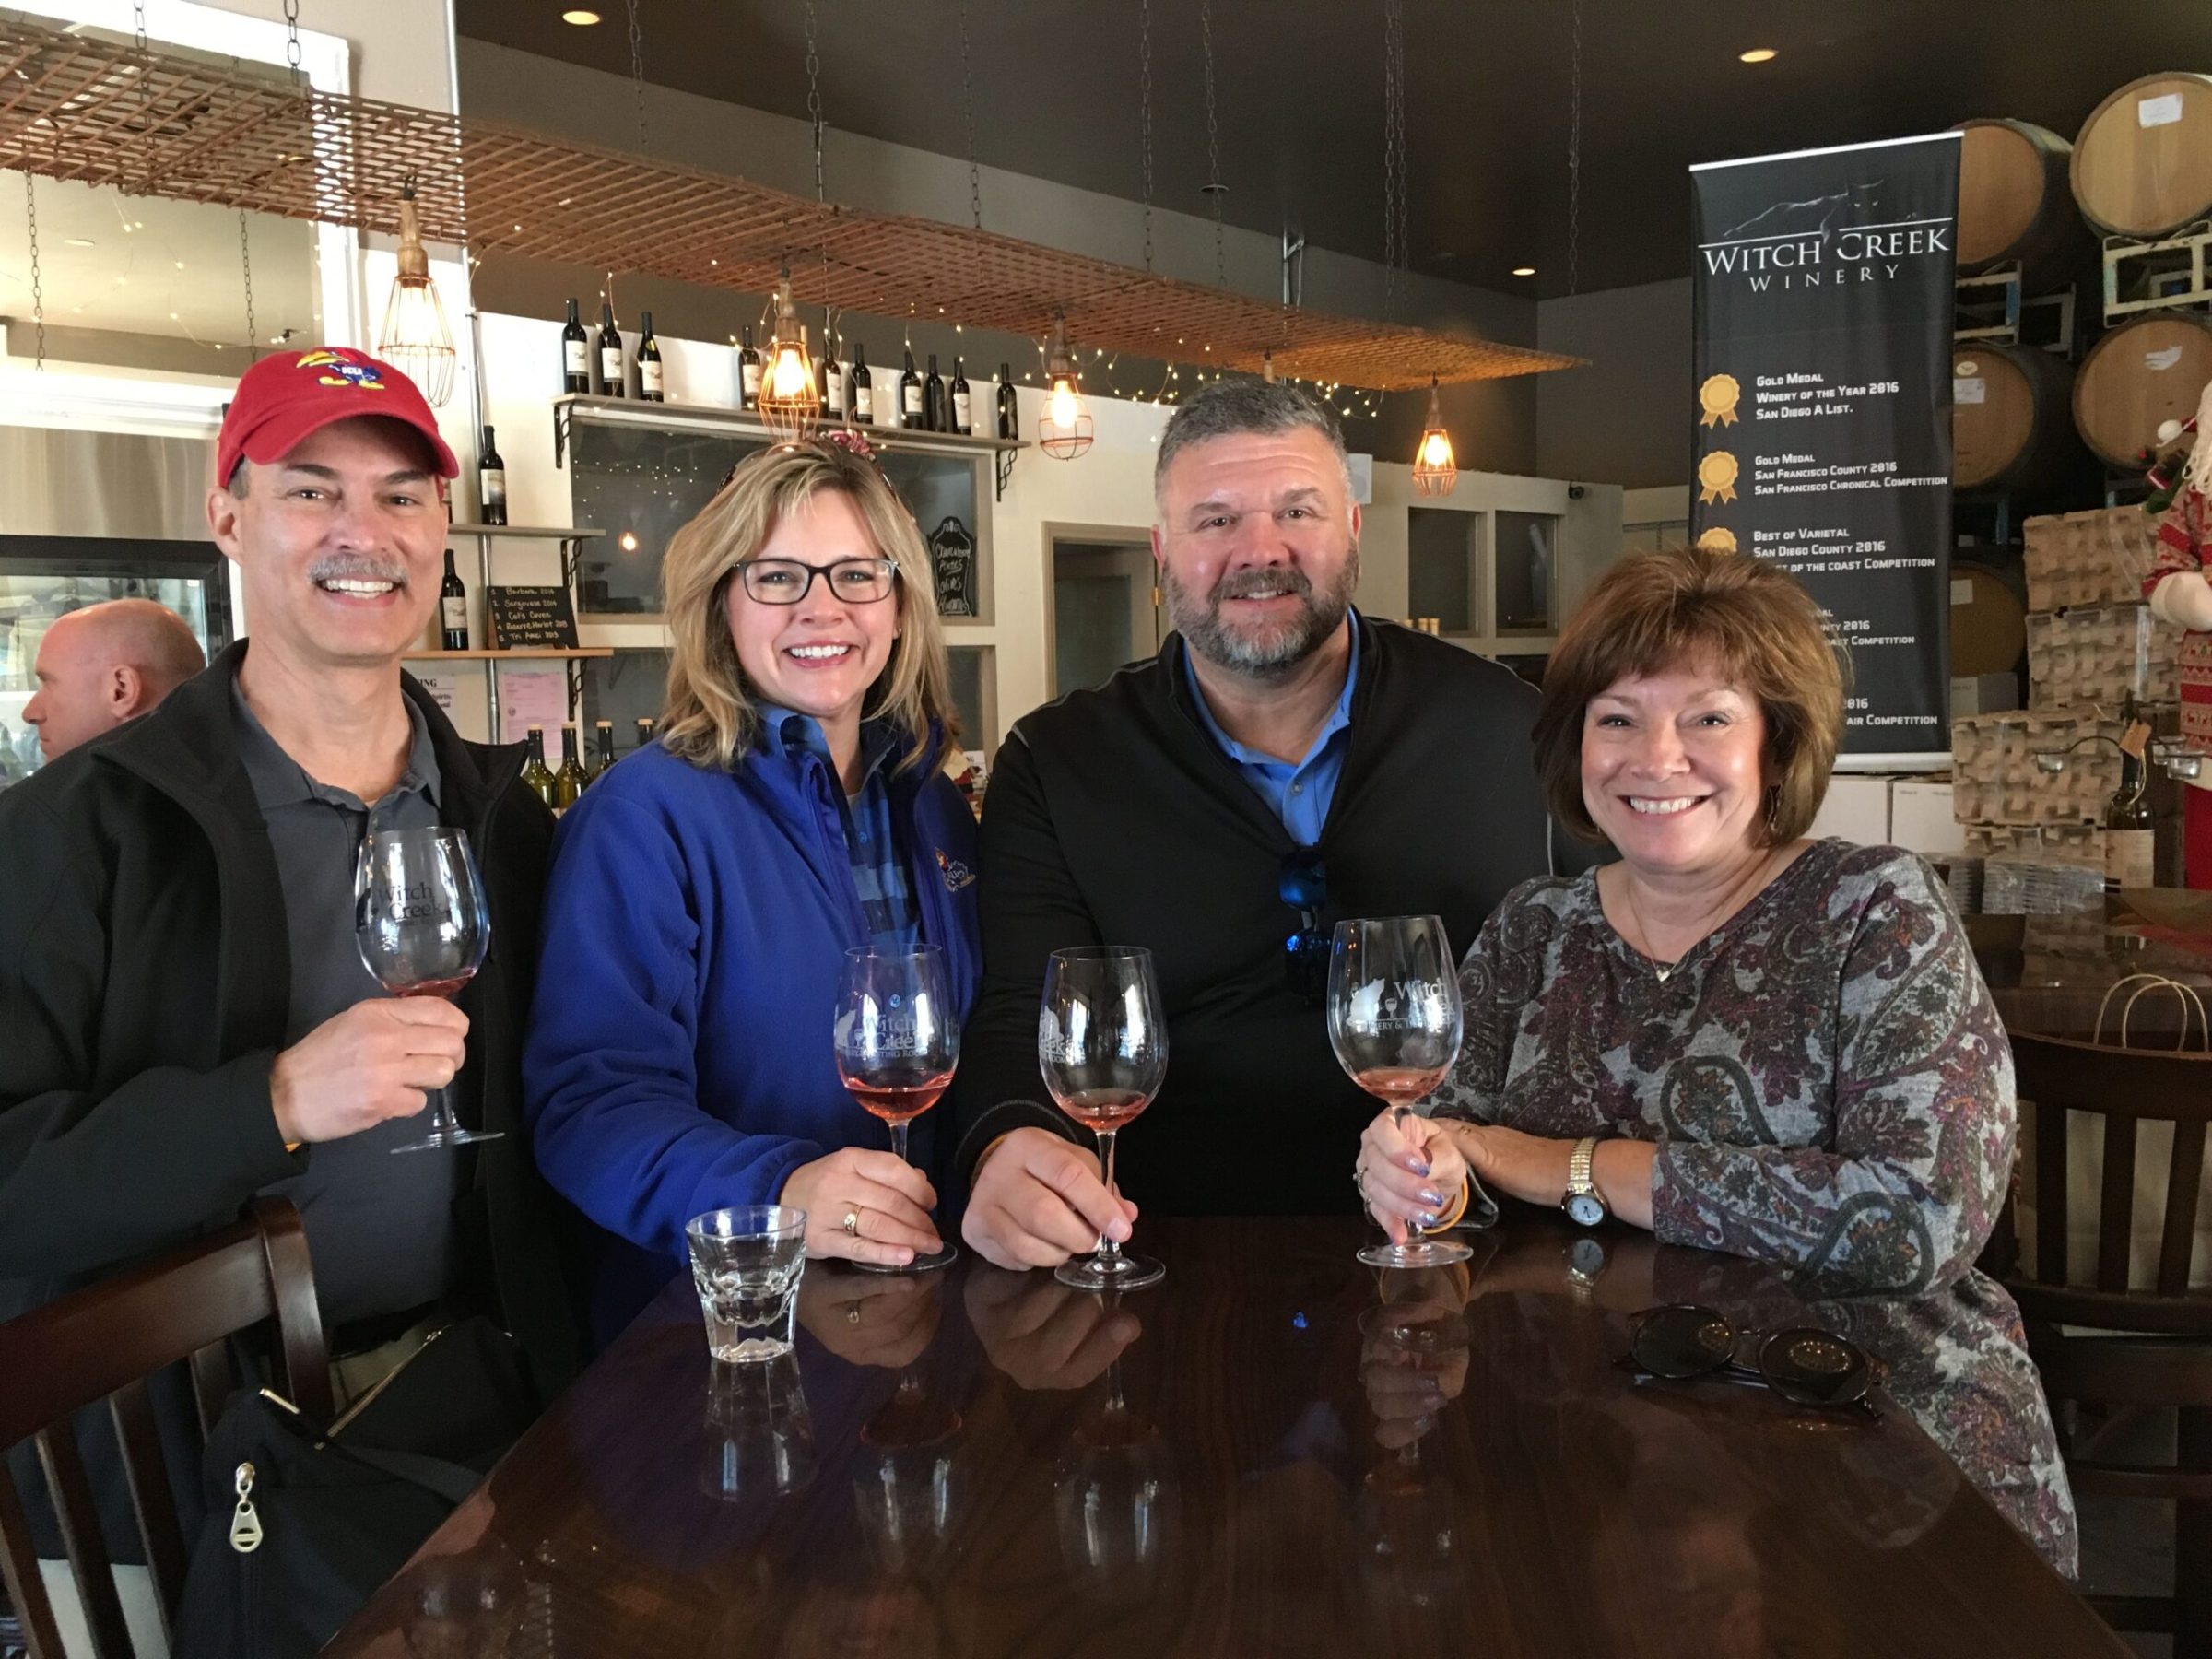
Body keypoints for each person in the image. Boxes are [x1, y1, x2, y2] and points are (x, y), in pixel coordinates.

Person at [0, 345, 577, 1653]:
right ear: (228, 517)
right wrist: (266, 1104)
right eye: (312, 490)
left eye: (400, 496)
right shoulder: (77, 831)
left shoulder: (505, 821)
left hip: (461, 1439)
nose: (360, 534)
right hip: (163, 1483)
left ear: (442, 527)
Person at [951, 380, 1577, 1272]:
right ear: (1163, 554)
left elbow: (1602, 961)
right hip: (1168, 1267)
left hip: (1479, 1261)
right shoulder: (1057, 764)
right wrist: (1003, 1144)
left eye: (1297, 510)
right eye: (1215, 521)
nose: (1260, 551)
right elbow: (1022, 1013)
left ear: (1353, 532)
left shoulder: (1508, 729)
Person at [1356, 546, 2021, 1300]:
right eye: (1617, 718)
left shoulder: (1875, 908)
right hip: (1570, 1386)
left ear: (1778, 747)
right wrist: (1418, 1181)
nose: (1657, 758)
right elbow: (1451, 1157)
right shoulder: (1532, 927)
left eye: (1707, 717)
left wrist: (1569, 1165)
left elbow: (1918, 1223)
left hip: (1846, 1389)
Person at [523, 434, 980, 1337]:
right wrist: (782, 1191)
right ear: (722, 605)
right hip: (727, 1330)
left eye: (857, 574)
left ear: (898, 606)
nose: (822, 609)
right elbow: (590, 1104)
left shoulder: (933, 807)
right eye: (778, 578)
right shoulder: (645, 815)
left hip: (926, 1302)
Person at [21, 598, 206, 762]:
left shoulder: (74, 800)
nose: (30, 714)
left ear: (121, 690)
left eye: (49, 683)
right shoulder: (224, 786)